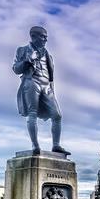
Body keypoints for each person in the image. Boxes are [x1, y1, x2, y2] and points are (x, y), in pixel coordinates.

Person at [13, 26, 70, 155]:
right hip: (32, 82)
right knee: (32, 113)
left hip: (47, 87)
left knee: (57, 115)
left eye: (46, 37)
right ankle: (35, 145)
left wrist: (52, 90)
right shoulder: (22, 50)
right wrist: (28, 60)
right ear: (33, 36)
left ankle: (56, 145)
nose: (45, 39)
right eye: (43, 36)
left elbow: (51, 76)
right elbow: (16, 69)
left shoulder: (48, 55)